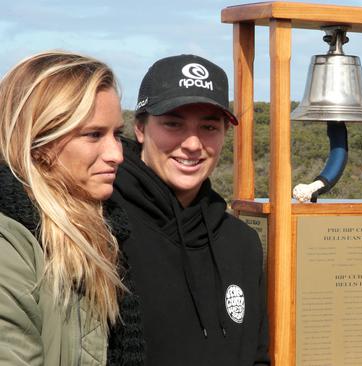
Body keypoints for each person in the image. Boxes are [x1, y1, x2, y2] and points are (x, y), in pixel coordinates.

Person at [108, 54, 269, 365]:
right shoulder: (102, 227)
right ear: (140, 128)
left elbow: (257, 356)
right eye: (173, 124)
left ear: (224, 134)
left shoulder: (242, 243)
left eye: (209, 127)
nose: (193, 144)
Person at [0, 51, 125, 365]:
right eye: (93, 134)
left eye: (117, 135)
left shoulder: (105, 229)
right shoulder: (10, 244)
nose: (116, 154)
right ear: (39, 141)